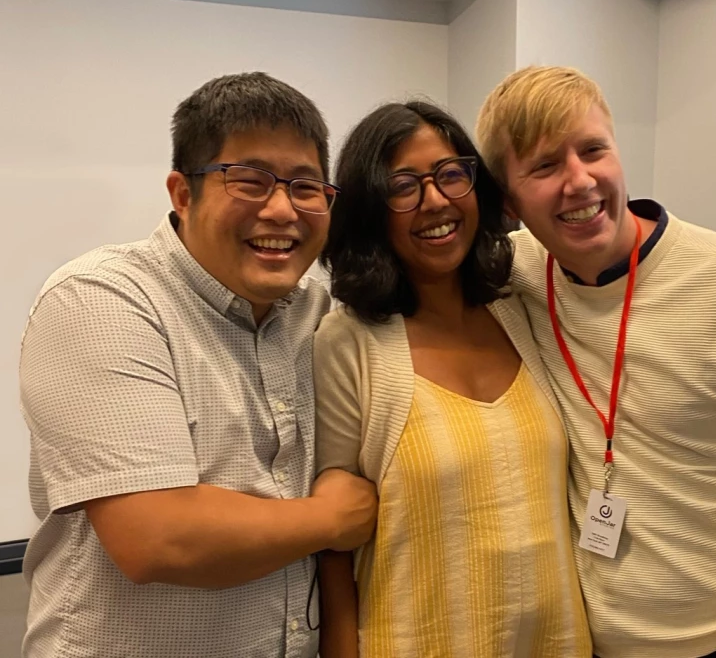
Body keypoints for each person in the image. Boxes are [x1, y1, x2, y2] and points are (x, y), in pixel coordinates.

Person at [474, 65, 716, 658]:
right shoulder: (514, 274)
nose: (580, 181)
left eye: (594, 150)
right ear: (508, 201)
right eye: (544, 166)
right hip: (577, 640)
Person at [18, 72, 378, 658]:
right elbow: (158, 537)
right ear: (183, 194)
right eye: (250, 181)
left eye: (306, 187)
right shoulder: (100, 300)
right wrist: (334, 517)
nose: (283, 209)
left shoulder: (318, 311)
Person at [313, 100, 592, 657]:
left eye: (450, 175)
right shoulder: (348, 343)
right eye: (403, 186)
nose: (435, 200)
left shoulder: (521, 310)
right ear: (371, 208)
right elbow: (333, 542)